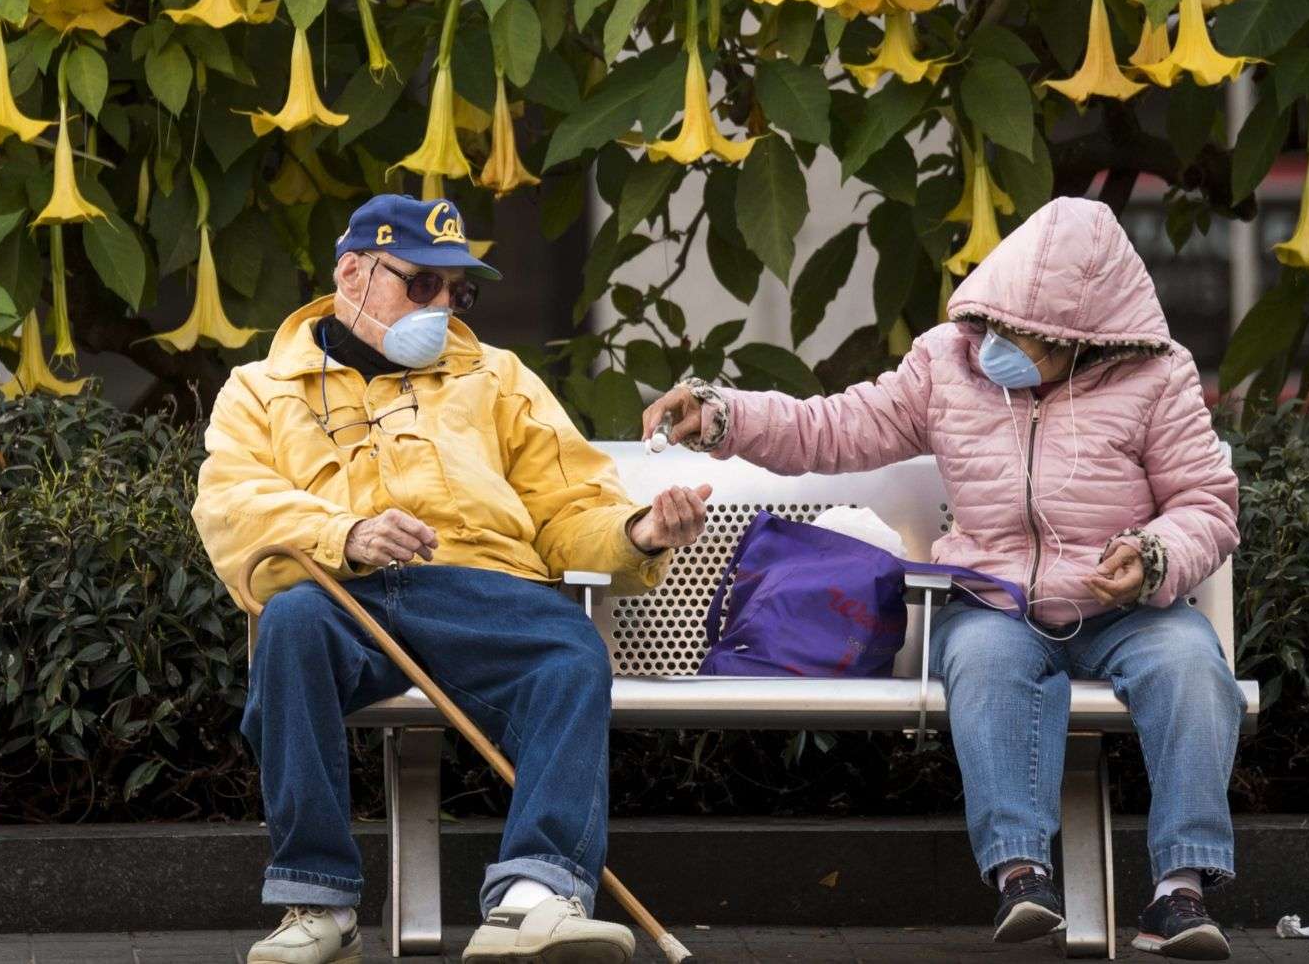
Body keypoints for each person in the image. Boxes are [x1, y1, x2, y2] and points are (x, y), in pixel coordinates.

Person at [641, 196, 1244, 962]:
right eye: (996, 321)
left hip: (1131, 609)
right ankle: (1022, 877)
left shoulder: (1157, 377)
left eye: (1025, 335)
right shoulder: (947, 361)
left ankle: (1179, 893)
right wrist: (725, 415)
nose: (999, 343)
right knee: (984, 663)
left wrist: (1153, 556)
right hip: (994, 603)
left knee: (1193, 666)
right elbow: (838, 426)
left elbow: (1206, 503)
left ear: (1084, 339)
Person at [194, 193, 712, 964]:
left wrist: (636, 531)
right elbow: (232, 503)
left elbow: (569, 503)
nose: (442, 307)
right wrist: (347, 533)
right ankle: (318, 905)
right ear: (352, 272)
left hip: (485, 591)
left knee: (569, 652)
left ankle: (534, 902)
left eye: (459, 292)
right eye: (423, 284)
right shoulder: (260, 388)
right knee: (293, 628)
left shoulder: (498, 377)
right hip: (346, 592)